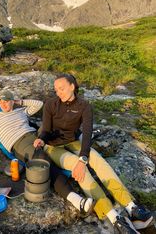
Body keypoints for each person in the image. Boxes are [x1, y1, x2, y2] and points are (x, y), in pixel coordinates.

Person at [34, 74, 154, 234]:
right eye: (56, 90)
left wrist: (83, 157)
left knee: (98, 160)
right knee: (78, 168)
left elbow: (88, 132)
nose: (58, 93)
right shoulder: (50, 104)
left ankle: (131, 207)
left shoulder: (84, 106)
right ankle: (114, 217)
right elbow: (46, 131)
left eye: (61, 89)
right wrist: (41, 140)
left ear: (72, 86)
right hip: (53, 146)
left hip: (74, 141)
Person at [0, 89, 95, 216]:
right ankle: (78, 201)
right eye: (1, 102)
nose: (3, 104)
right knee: (45, 165)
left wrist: (20, 102)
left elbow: (39, 104)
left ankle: (86, 137)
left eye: (7, 101)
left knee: (54, 125)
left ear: (12, 102)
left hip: (37, 136)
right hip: (21, 142)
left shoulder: (20, 111)